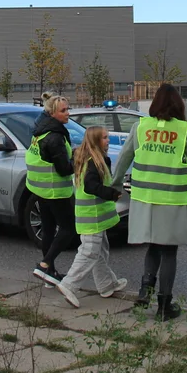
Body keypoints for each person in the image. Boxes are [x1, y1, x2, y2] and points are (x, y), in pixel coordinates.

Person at [111, 83, 187, 321]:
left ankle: (145, 290)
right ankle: (165, 306)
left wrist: (115, 185)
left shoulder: (140, 126)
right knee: (169, 250)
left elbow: (123, 158)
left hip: (144, 196)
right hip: (173, 196)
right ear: (178, 105)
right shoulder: (183, 130)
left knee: (153, 245)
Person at [54, 126, 127, 308]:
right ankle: (69, 284)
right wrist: (112, 193)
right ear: (95, 141)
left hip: (95, 216)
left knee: (100, 251)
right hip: (91, 217)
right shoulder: (94, 162)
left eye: (107, 137)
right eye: (104, 138)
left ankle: (107, 284)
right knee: (90, 251)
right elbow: (90, 186)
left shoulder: (89, 158)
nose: (108, 140)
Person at [26, 93, 76, 286]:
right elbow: (64, 170)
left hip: (40, 189)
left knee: (48, 230)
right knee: (68, 229)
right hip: (55, 190)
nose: (68, 113)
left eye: (68, 109)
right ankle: (45, 265)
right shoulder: (55, 137)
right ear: (52, 113)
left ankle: (50, 274)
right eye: (63, 110)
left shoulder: (40, 130)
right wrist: (78, 161)